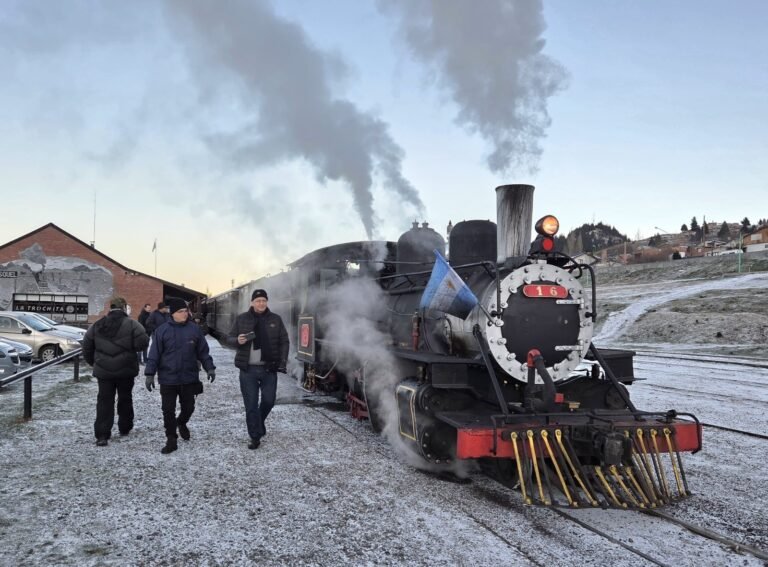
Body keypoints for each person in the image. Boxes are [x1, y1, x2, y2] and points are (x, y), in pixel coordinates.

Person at [144, 297, 216, 454]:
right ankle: (171, 439)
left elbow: (203, 352)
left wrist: (209, 368)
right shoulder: (162, 331)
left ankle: (182, 422)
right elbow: (154, 354)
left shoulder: (194, 329)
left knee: (189, 408)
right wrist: (149, 374)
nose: (185, 314)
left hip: (189, 377)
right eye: (181, 311)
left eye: (186, 311)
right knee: (167, 410)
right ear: (173, 314)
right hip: (168, 379)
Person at [82, 297, 150, 447]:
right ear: (124, 307)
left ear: (110, 307)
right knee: (125, 398)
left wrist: (95, 363)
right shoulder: (133, 324)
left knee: (104, 401)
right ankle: (125, 427)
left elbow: (86, 347)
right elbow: (143, 343)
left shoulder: (97, 325)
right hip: (126, 370)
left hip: (104, 372)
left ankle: (102, 435)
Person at [228, 289, 289, 450]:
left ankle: (258, 423)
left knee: (269, 401)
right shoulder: (242, 319)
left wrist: (282, 361)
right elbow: (229, 338)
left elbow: (284, 341)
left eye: (263, 300)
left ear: (266, 302)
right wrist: (237, 340)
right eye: (258, 300)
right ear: (252, 303)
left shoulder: (276, 319)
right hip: (248, 370)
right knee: (251, 405)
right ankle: (255, 436)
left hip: (269, 368)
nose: (261, 303)